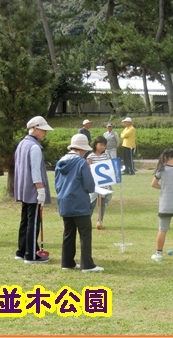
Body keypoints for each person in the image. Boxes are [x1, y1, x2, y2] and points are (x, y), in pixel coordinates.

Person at [55, 134, 104, 272]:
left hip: (64, 201)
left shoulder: (60, 162)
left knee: (68, 232)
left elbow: (57, 184)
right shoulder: (81, 162)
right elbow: (89, 185)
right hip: (79, 201)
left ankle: (67, 262)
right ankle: (87, 264)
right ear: (82, 149)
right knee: (85, 233)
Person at [14, 115, 53, 264]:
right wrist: (40, 189)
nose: (45, 133)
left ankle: (21, 250)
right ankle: (31, 255)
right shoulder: (35, 146)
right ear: (35, 128)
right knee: (33, 221)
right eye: (43, 130)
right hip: (33, 189)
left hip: (24, 188)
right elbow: (35, 171)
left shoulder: (22, 144)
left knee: (25, 220)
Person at [87, 136, 112, 230]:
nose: (102, 147)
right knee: (91, 203)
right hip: (94, 184)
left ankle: (100, 221)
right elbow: (88, 169)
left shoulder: (106, 156)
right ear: (95, 144)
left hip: (104, 183)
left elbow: (109, 168)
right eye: (101, 145)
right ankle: (87, 221)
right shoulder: (91, 156)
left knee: (102, 203)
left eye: (104, 145)